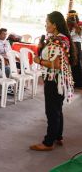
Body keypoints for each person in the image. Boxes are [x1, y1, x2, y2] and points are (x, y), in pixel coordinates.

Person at [30, 11, 76, 151]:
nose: (46, 25)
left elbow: (55, 64)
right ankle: (58, 136)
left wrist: (39, 60)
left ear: (54, 25)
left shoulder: (57, 41)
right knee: (57, 109)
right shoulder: (61, 39)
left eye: (47, 22)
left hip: (54, 80)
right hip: (60, 80)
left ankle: (48, 142)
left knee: (51, 111)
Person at [67, 10, 82, 87]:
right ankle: (70, 80)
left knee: (77, 63)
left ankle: (78, 82)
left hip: (77, 44)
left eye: (73, 17)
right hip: (69, 44)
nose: (72, 18)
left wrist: (75, 24)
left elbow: (79, 33)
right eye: (70, 17)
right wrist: (69, 25)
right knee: (70, 62)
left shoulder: (79, 24)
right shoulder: (67, 25)